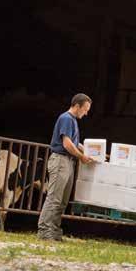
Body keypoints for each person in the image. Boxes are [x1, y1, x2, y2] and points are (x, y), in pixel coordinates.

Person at [38, 93, 94, 241]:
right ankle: (44, 231)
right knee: (54, 198)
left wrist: (92, 152)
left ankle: (54, 230)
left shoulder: (73, 121)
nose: (86, 112)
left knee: (62, 200)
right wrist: (82, 156)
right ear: (77, 106)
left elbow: (75, 143)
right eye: (85, 109)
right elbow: (67, 144)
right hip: (61, 160)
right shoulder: (66, 118)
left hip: (68, 161)